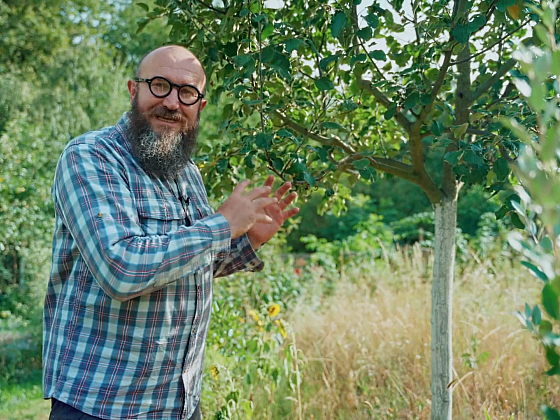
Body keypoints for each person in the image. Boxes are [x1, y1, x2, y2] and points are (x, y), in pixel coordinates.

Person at [43, 45, 299, 420]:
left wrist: (246, 241)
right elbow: (121, 269)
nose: (172, 102)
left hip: (178, 405)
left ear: (200, 106)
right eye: (160, 85)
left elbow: (187, 266)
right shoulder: (90, 156)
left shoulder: (186, 171)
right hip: (101, 405)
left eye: (187, 92)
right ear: (134, 90)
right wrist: (221, 225)